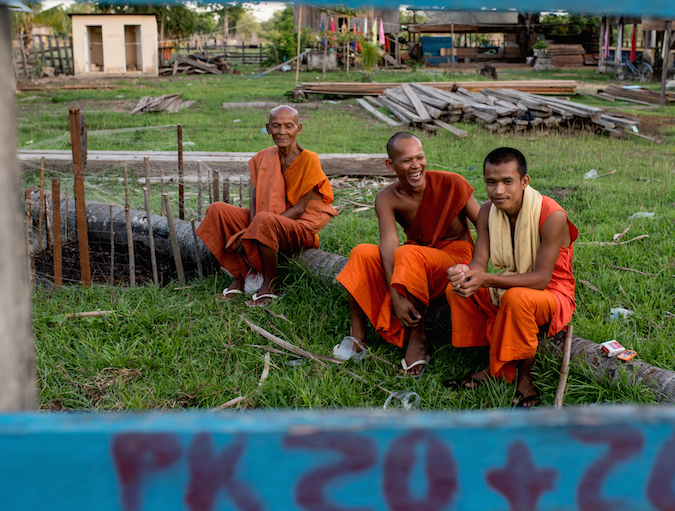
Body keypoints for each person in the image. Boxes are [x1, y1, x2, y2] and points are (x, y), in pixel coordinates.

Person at [335, 132, 480, 377]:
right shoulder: (386, 197)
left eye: (420, 157)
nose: (416, 166)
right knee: (361, 252)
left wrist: (479, 267)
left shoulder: (452, 183)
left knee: (408, 253)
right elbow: (389, 243)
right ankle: (358, 336)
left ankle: (418, 337)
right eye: (406, 161)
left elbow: (484, 226)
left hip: (453, 259)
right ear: (390, 165)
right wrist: (396, 296)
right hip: (413, 258)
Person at [446, 147, 578, 407]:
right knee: (458, 289)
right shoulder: (486, 212)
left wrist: (488, 280)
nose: (498, 191)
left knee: (517, 299)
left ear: (524, 181)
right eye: (491, 182)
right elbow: (479, 264)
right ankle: (493, 359)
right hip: (510, 282)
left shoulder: (552, 215)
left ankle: (525, 376)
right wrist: (464, 272)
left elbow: (541, 279)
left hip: (552, 293)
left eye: (508, 182)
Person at [196, 105, 337, 306]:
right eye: (276, 126)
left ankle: (272, 284)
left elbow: (299, 209)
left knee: (263, 220)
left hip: (299, 228)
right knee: (218, 210)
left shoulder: (309, 160)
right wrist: (253, 228)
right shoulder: (264, 157)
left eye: (289, 126)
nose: (282, 132)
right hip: (265, 222)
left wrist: (251, 231)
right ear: (268, 128)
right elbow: (254, 201)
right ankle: (241, 274)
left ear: (299, 128)